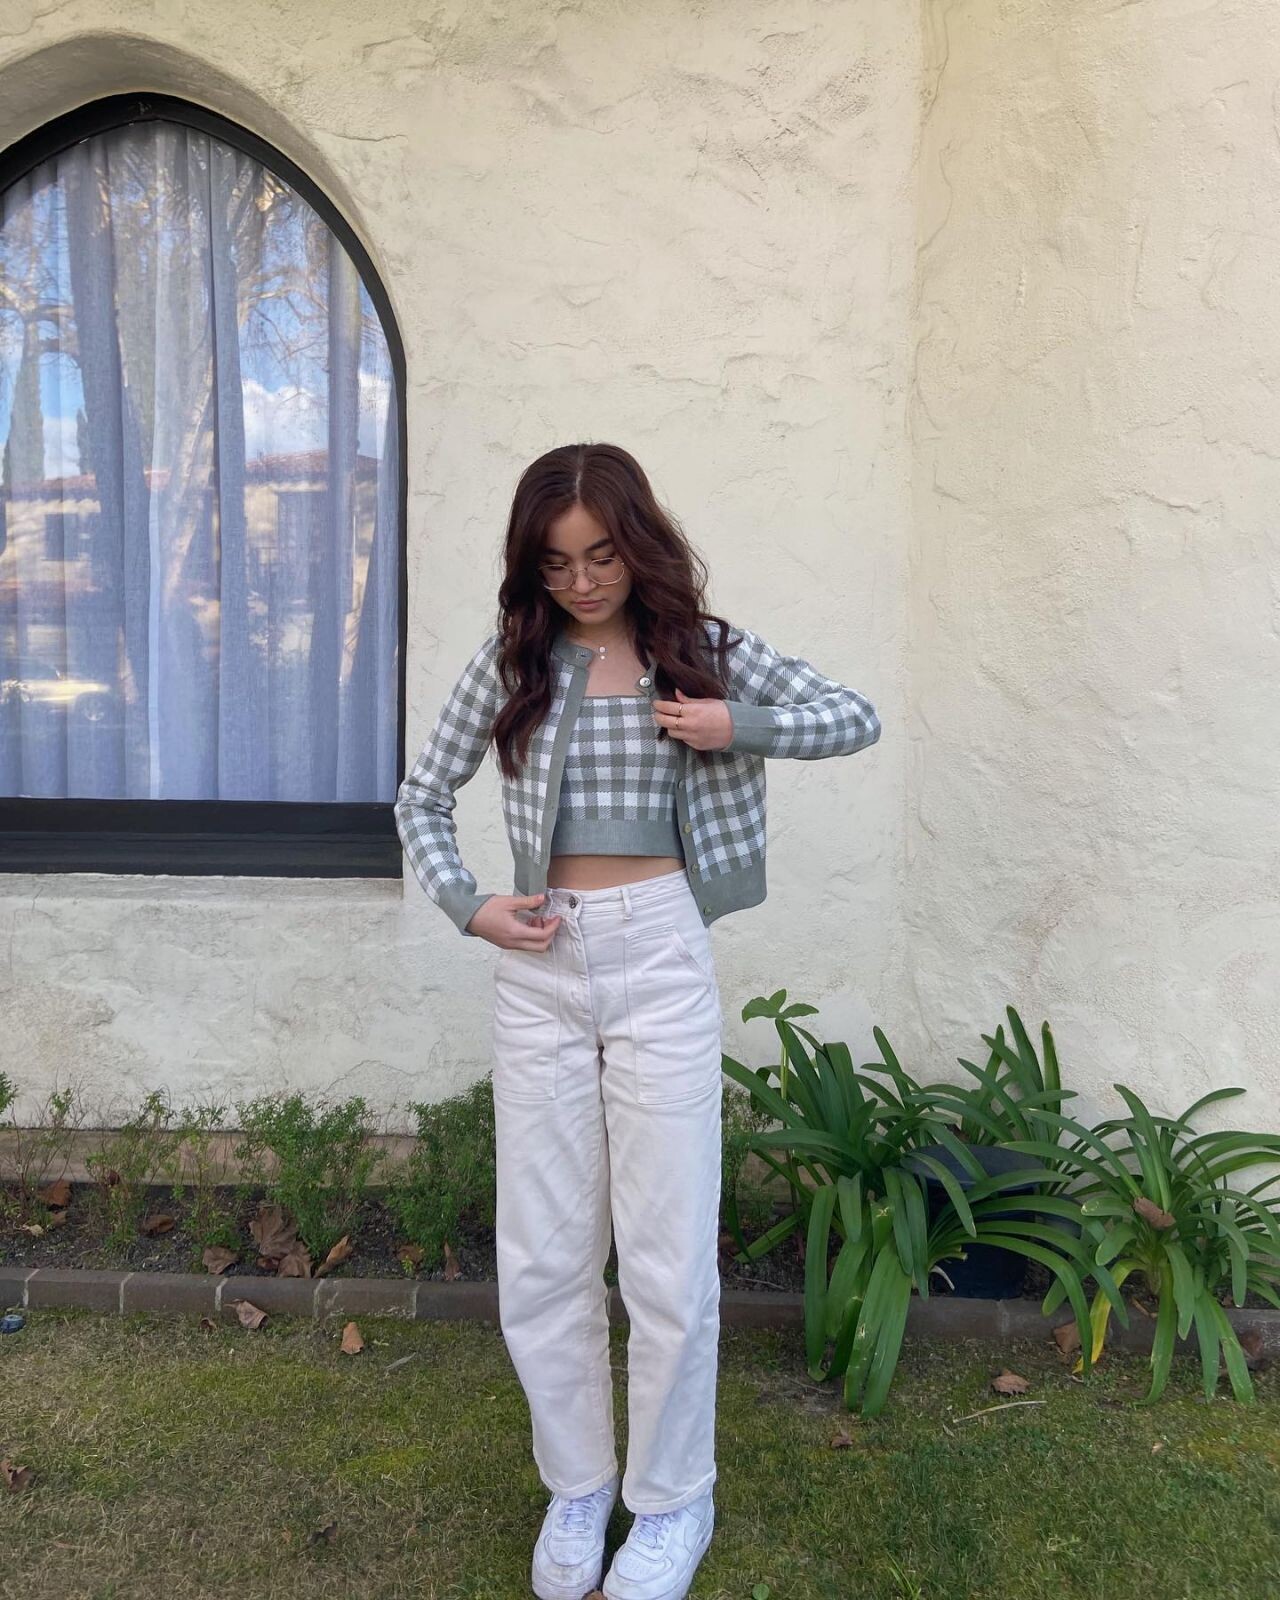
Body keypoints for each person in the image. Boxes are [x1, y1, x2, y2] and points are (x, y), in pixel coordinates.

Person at [394, 442, 881, 1600]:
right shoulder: (514, 660)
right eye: (556, 563)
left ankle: (669, 1501)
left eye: (601, 555)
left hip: (660, 954)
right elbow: (422, 796)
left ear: (638, 543)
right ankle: (577, 1484)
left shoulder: (703, 650)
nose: (581, 581)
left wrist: (734, 724)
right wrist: (468, 905)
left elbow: (851, 717)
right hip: (541, 963)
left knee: (665, 1258)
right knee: (543, 1254)